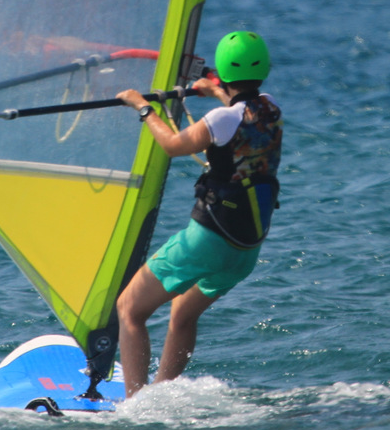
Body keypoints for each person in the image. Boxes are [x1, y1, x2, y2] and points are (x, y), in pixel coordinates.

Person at [114, 30, 283, 397]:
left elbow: (173, 145)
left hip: (207, 240)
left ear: (222, 70)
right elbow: (239, 111)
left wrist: (142, 106)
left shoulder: (221, 120)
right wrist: (216, 91)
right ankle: (162, 396)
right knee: (183, 314)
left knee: (128, 309)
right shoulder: (270, 107)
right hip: (245, 248)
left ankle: (135, 402)